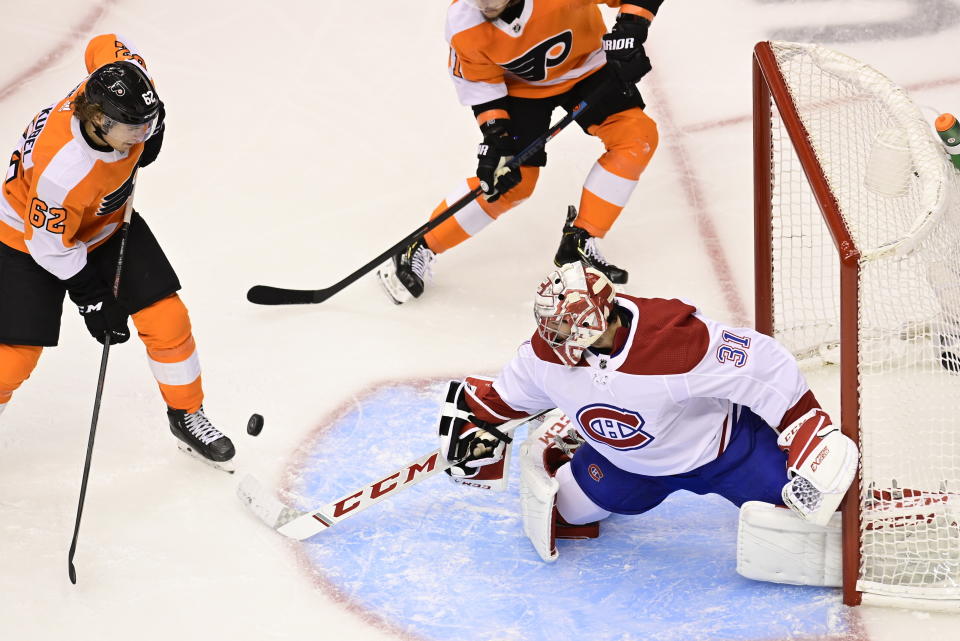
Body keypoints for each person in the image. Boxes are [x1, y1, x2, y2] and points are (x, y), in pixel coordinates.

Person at [436, 262, 858, 579]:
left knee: (813, 512)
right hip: (627, 465)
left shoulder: (674, 343)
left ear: (592, 321)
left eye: (563, 326)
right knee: (563, 510)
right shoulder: (545, 356)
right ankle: (573, 443)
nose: (552, 337)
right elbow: (510, 395)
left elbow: (762, 363)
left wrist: (805, 424)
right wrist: (480, 424)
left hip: (727, 452)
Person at [0, 34, 235, 467]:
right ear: (100, 123)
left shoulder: (122, 86)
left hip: (103, 223)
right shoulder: (64, 172)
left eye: (150, 122)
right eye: (137, 129)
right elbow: (49, 247)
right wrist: (92, 299)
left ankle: (187, 414)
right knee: (11, 360)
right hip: (23, 239)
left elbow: (104, 42)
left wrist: (154, 126)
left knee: (168, 318)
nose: (145, 134)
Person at [376, 0, 662, 304]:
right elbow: (482, 85)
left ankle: (578, 244)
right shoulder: (464, 23)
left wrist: (632, 26)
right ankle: (420, 245)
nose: (484, 4)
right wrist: (496, 135)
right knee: (511, 182)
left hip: (588, 68)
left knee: (636, 136)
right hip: (521, 91)